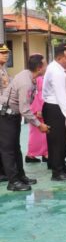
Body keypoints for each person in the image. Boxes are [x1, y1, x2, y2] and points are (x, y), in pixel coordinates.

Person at [0, 54, 48, 191]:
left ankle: (21, 176)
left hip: (13, 116)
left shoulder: (29, 76)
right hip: (6, 116)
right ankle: (13, 182)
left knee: (15, 148)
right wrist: (39, 125)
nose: (46, 67)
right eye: (45, 64)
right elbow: (24, 109)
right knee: (8, 150)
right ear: (39, 68)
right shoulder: (26, 82)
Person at [42, 42, 66, 181]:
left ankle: (62, 168)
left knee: (63, 141)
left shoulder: (57, 68)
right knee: (57, 142)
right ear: (61, 58)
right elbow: (62, 97)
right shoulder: (57, 72)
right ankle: (57, 172)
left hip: (55, 107)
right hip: (56, 108)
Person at [26, 73, 48, 164]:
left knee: (37, 133)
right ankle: (36, 154)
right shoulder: (38, 78)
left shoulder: (35, 78)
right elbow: (37, 93)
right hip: (38, 108)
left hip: (36, 107)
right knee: (39, 133)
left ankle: (40, 153)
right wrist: (39, 109)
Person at [0, 43, 10, 182]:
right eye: (2, 53)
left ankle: (3, 171)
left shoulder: (3, 69)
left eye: (7, 53)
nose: (6, 55)